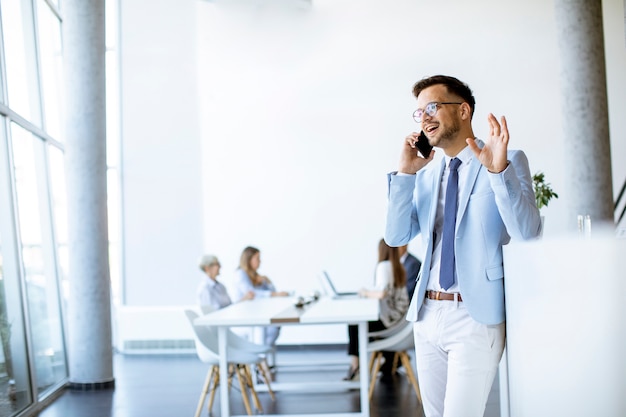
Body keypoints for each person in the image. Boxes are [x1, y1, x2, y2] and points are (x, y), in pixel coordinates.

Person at [384, 75, 541, 417]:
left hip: (474, 317)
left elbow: (528, 234)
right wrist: (405, 174)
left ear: (464, 110)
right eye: (419, 112)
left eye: (433, 107)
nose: (424, 117)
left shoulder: (507, 159)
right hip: (426, 315)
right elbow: (396, 237)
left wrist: (499, 173)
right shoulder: (424, 174)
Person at [344, 238, 409, 381]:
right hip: (400, 320)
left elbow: (381, 293)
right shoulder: (397, 266)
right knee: (356, 325)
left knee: (354, 325)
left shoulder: (384, 266)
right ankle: (361, 366)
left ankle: (356, 368)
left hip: (389, 321)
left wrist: (364, 292)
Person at [233, 246, 289, 347]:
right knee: (267, 328)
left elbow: (271, 292)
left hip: (256, 312)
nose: (260, 261)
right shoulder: (240, 274)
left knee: (275, 326)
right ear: (249, 260)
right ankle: (260, 356)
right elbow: (252, 294)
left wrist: (268, 281)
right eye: (257, 258)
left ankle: (262, 356)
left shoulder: (256, 276)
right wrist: (275, 294)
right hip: (244, 315)